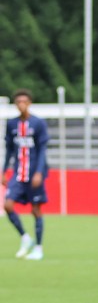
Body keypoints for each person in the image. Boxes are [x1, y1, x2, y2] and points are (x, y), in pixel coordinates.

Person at [3, 89, 49, 261]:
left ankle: (38, 247)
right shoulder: (12, 124)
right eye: (18, 102)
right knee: (8, 206)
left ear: (29, 103)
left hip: (34, 174)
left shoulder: (38, 123)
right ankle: (25, 237)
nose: (21, 105)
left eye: (24, 101)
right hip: (17, 174)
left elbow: (43, 149)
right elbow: (9, 149)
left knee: (36, 209)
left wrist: (39, 172)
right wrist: (3, 170)